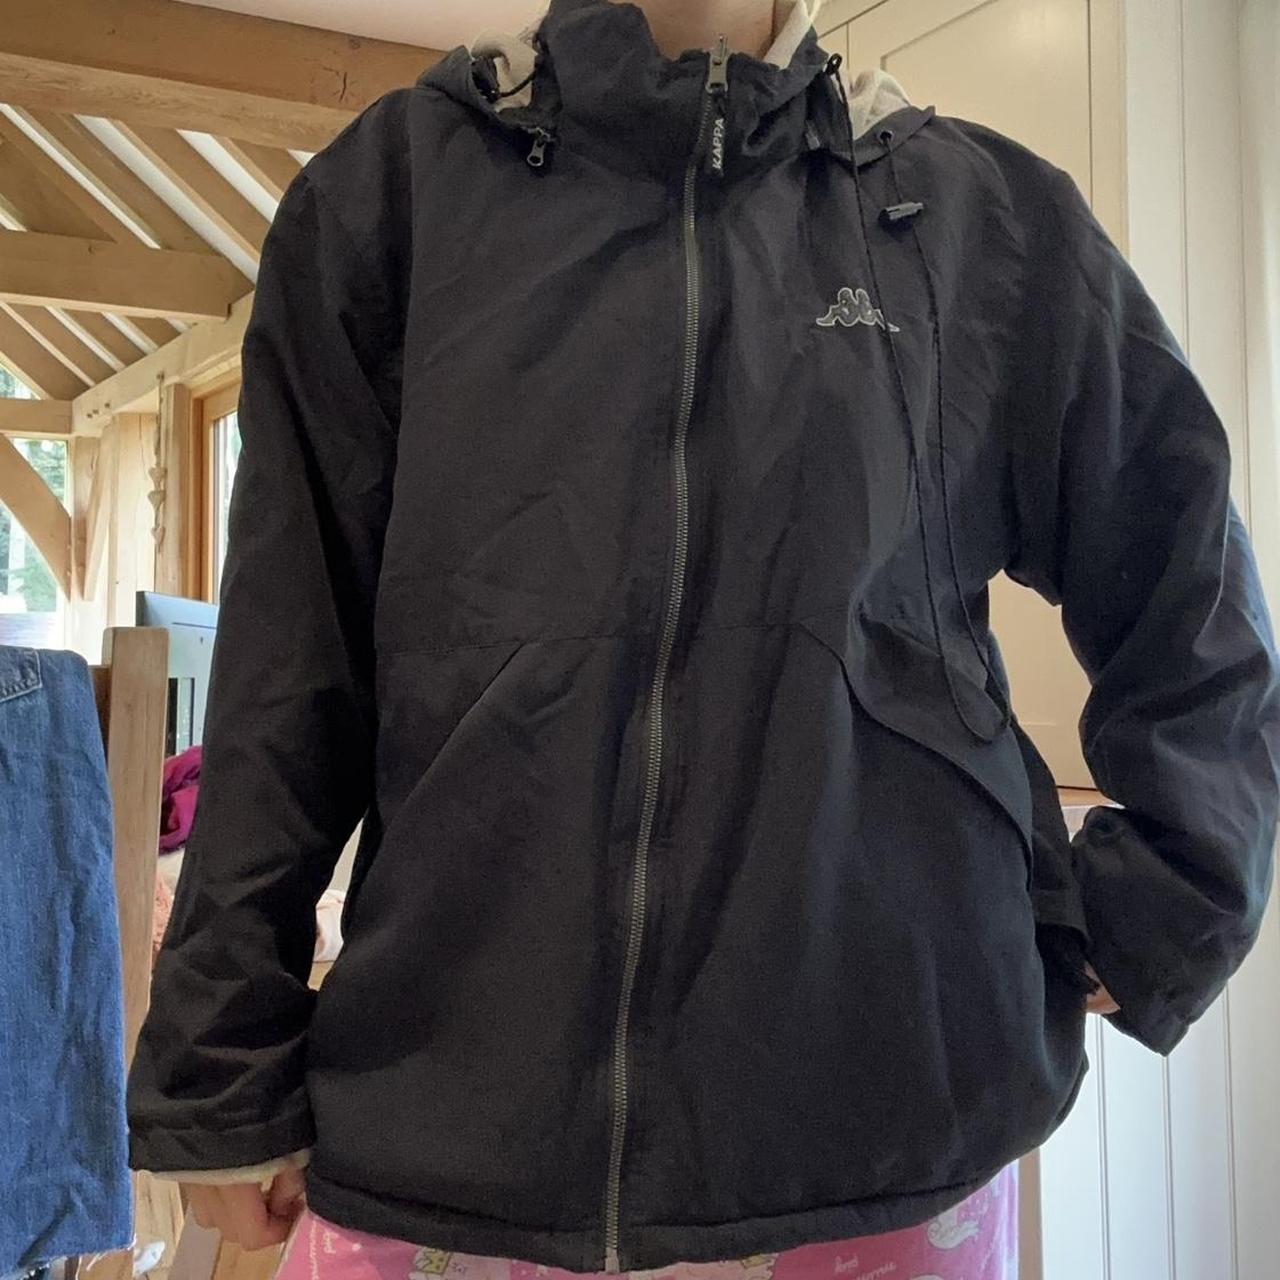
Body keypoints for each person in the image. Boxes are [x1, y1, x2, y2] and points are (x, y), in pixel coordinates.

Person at [125, 0, 1280, 1277]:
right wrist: (218, 1054)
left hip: (883, 1133)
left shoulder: (977, 219)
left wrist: (1167, 893)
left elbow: (1180, 565)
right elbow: (290, 658)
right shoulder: (391, 197)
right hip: (448, 1143)